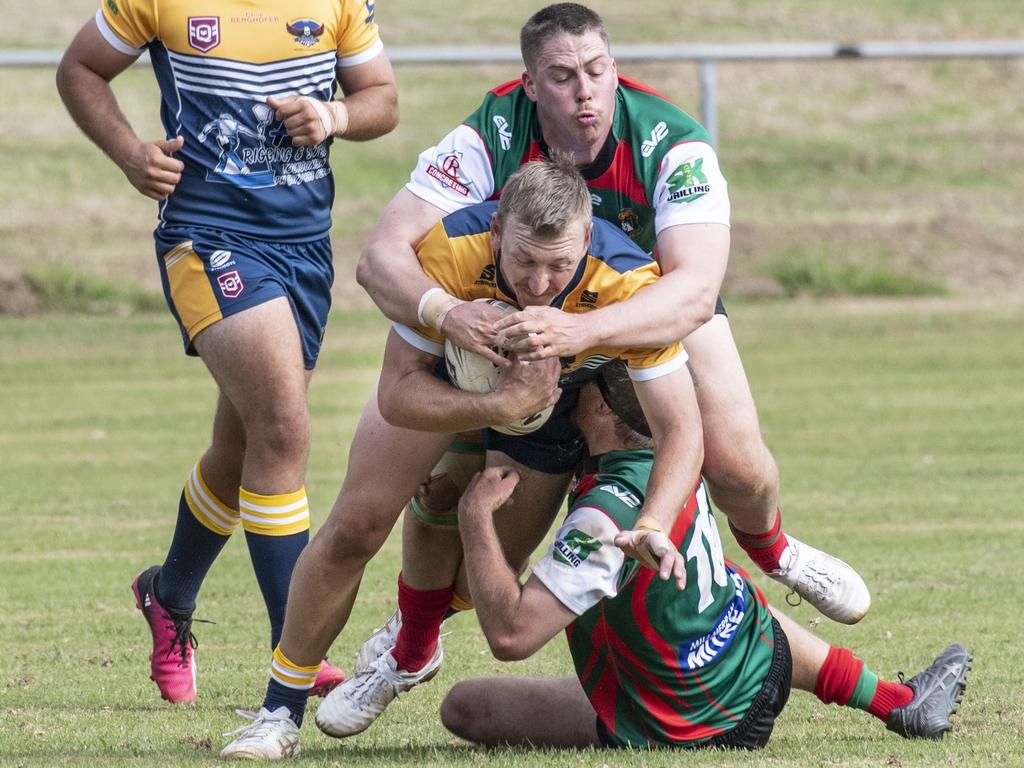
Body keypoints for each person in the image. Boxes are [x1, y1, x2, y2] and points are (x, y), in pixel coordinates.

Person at [356, 3, 870, 646]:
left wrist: (585, 333)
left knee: (738, 467)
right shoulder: (488, 131)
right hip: (509, 314)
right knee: (373, 507)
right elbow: (381, 256)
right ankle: (405, 646)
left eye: (597, 70)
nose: (584, 90)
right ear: (530, 83)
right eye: (563, 75)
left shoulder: (672, 142)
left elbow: (694, 294)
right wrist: (450, 314)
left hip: (640, 308)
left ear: (615, 69)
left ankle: (773, 550)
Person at [220, 157, 703, 758]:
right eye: (524, 260)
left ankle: (412, 646)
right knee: (356, 526)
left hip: (566, 408)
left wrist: (653, 522)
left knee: (486, 566)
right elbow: (398, 395)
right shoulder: (453, 253)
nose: (538, 283)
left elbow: (683, 427)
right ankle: (278, 713)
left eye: (559, 265)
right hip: (450, 380)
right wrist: (498, 404)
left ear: (587, 238)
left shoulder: (627, 282)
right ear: (496, 230)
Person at [56, 0, 399, 704]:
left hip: (304, 247)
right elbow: (80, 69)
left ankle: (168, 592)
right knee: (284, 427)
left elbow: (382, 99)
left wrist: (334, 117)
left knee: (242, 446)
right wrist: (130, 154)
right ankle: (297, 653)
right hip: (207, 236)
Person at [440, 361, 970, 750]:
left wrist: (473, 515)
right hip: (758, 663)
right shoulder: (676, 459)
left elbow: (512, 636)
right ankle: (895, 702)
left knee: (463, 706)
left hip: (679, 724)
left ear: (601, 406)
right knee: (721, 591)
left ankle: (894, 701)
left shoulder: (606, 516)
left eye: (576, 385)